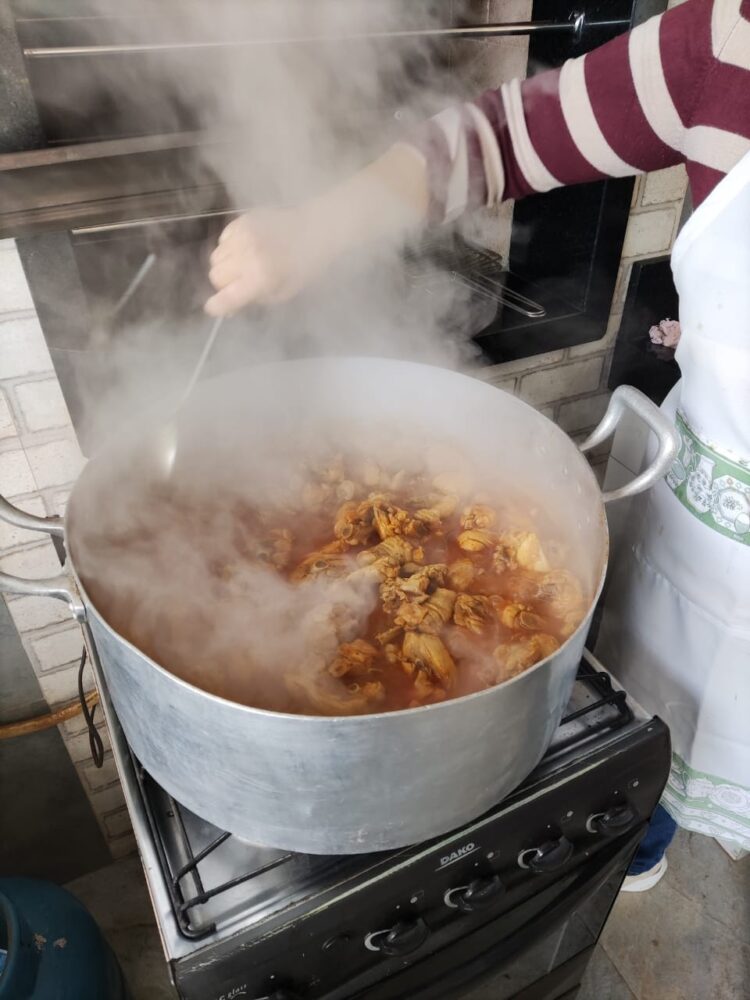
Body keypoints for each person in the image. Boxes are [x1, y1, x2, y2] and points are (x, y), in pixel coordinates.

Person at [206, 0, 750, 890]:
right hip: (705, 522)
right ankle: (640, 844)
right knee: (654, 711)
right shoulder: (730, 39)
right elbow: (504, 136)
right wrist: (320, 225)